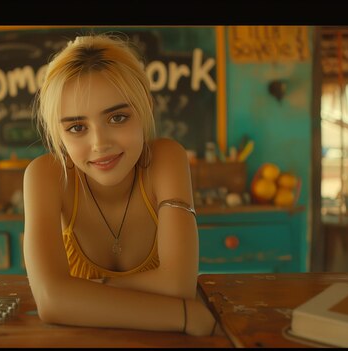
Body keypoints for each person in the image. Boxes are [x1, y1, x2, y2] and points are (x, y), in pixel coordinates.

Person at [23, 33, 218, 336]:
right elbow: (51, 301)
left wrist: (82, 293)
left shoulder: (166, 159)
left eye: (117, 118)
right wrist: (183, 315)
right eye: (77, 127)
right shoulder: (45, 176)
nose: (99, 143)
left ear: (146, 108)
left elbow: (179, 284)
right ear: (58, 134)